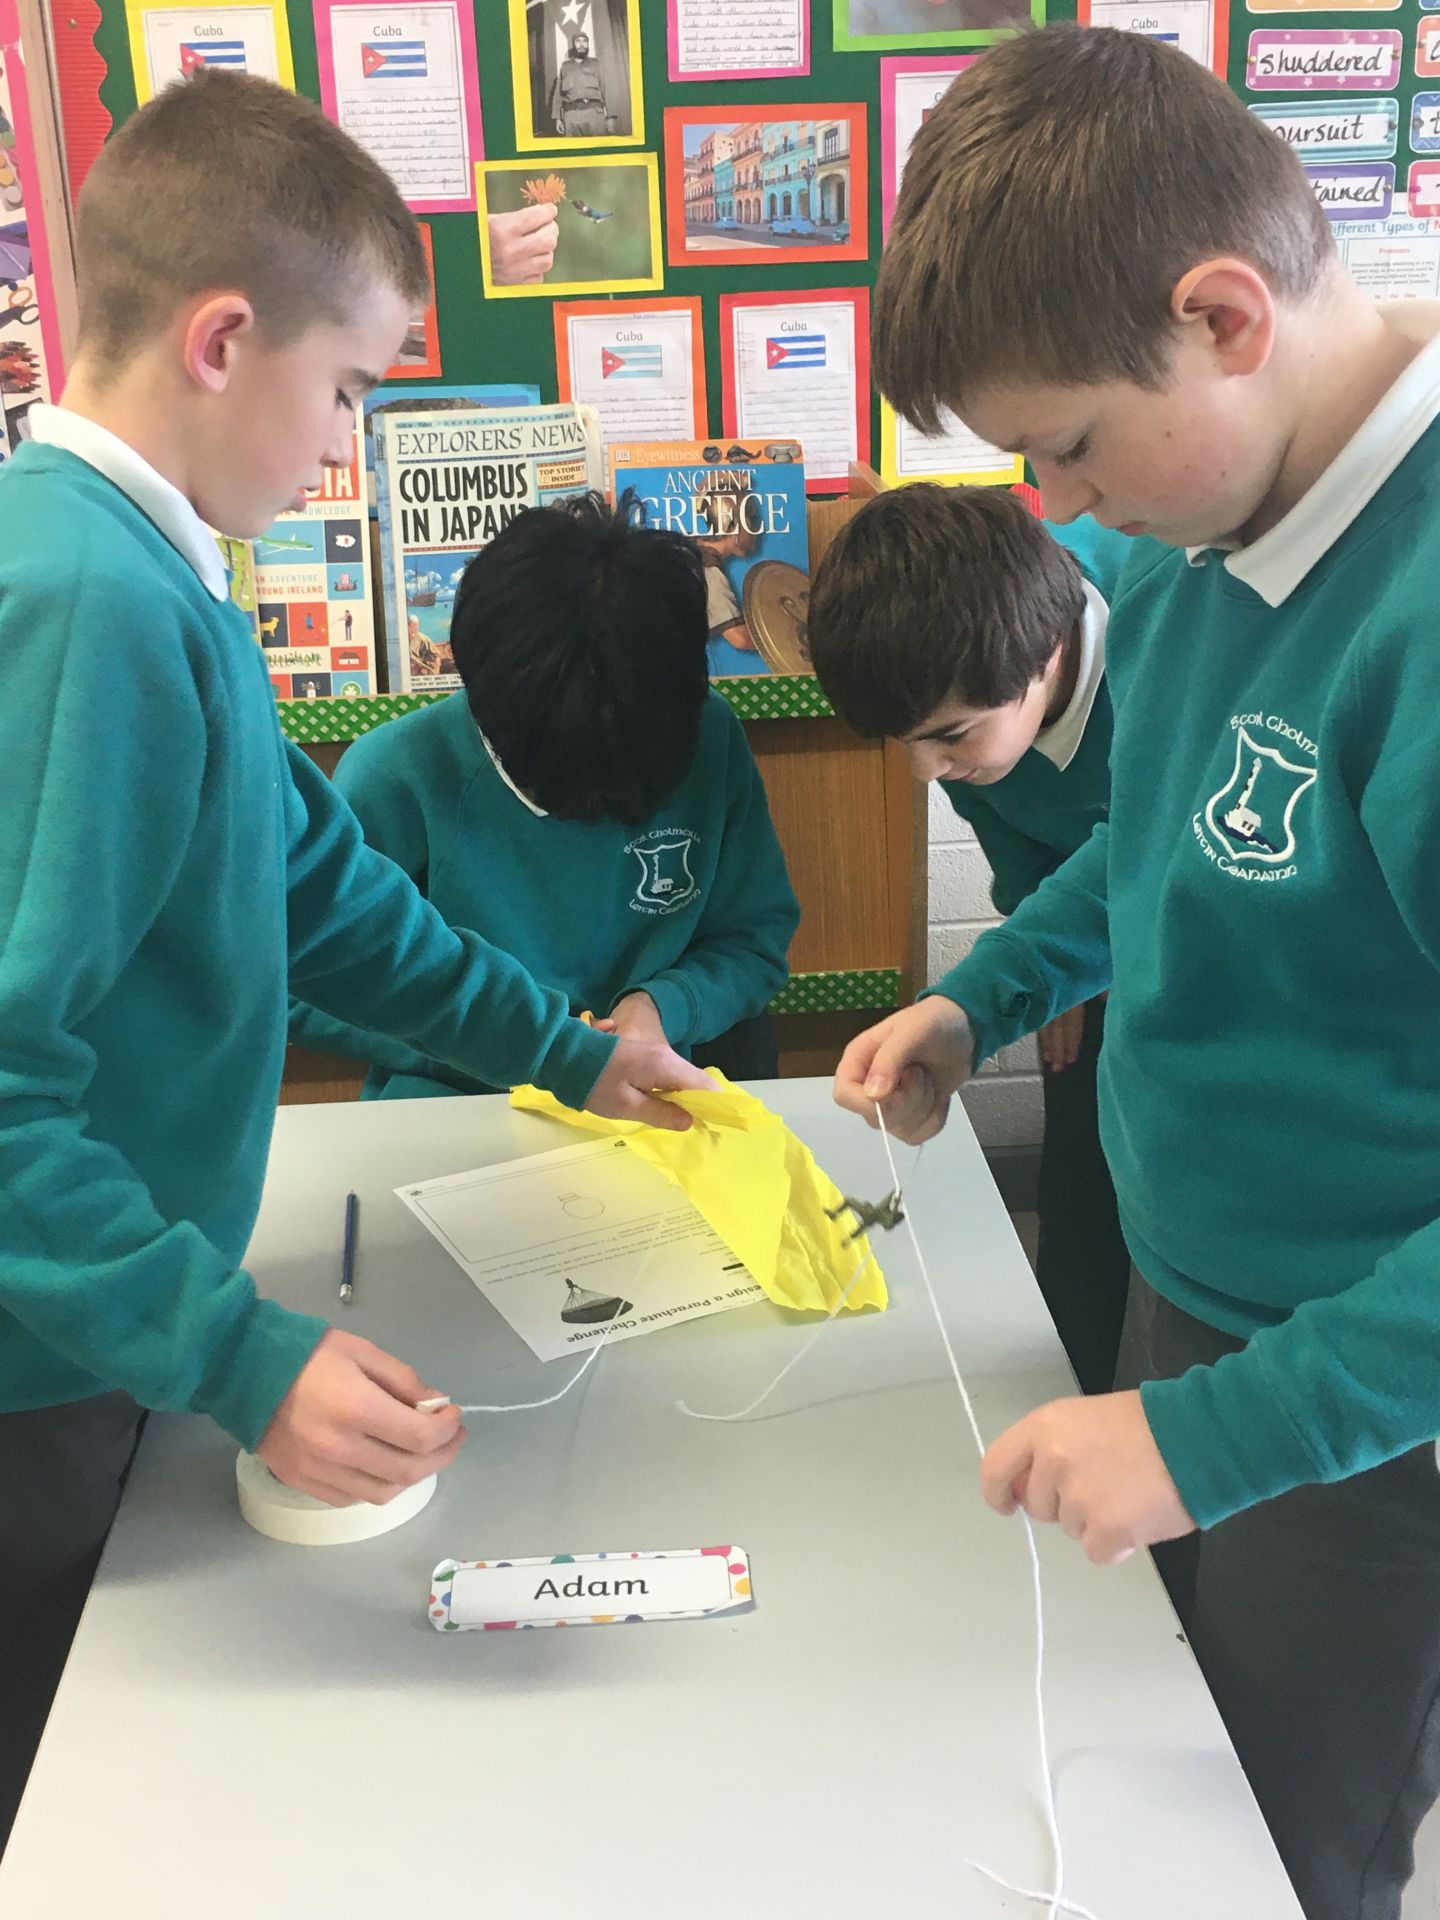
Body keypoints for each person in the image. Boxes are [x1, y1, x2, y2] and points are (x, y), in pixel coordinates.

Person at [0, 69, 709, 1853]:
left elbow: (319, 890)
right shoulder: (83, 603)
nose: (345, 448)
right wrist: (238, 1358)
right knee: (75, 1803)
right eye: (348, 389)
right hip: (37, 1374)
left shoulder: (156, 569)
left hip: (99, 1323)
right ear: (223, 340)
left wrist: (570, 1049)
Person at [835, 26, 1440, 1918]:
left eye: (1070, 444)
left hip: (1363, 1395)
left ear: (1226, 316)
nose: (1060, 503)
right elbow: (1158, 835)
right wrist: (982, 997)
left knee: (1281, 1846)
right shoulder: (1201, 525)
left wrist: (1219, 1437)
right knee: (1148, 1780)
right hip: (1195, 1292)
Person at [290, 492, 799, 1095]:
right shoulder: (397, 774)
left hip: (663, 1087)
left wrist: (664, 1006)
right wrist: (522, 1046)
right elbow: (306, 987)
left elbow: (752, 937)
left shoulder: (701, 731)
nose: (595, 810)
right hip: (461, 1100)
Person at [806, 483, 1133, 1395]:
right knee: (1081, 1179)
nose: (925, 771)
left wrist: (1031, 976)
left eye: (949, 736)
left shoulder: (1168, 633)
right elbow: (1015, 841)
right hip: (1077, 921)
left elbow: (1154, 842)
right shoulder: (963, 702)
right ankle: (1071, 1380)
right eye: (904, 742)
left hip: (1213, 933)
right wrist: (1039, 980)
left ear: (1049, 651)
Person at [548, 31, 612, 140]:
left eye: (584, 41)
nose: (581, 44)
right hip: (571, 118)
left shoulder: (597, 64)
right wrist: (557, 118)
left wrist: (611, 117)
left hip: (594, 115)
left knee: (598, 148)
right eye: (578, 41)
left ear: (588, 44)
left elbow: (607, 90)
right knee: (573, 149)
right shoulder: (565, 67)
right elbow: (558, 96)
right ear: (573, 45)